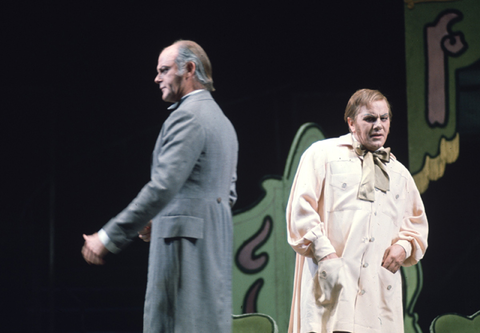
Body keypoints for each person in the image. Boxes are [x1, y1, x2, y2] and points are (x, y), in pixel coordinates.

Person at [81, 40, 238, 333]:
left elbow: (162, 186)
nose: (157, 78)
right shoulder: (222, 122)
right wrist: (162, 217)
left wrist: (108, 237)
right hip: (213, 248)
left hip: (183, 249)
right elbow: (225, 195)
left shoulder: (187, 116)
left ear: (189, 69)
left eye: (164, 70)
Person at [286, 89, 428, 333]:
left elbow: (416, 226)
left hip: (377, 293)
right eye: (370, 119)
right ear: (351, 122)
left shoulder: (399, 174)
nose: (378, 125)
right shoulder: (323, 155)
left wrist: (403, 247)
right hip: (333, 283)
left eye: (384, 118)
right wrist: (325, 253)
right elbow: (300, 207)